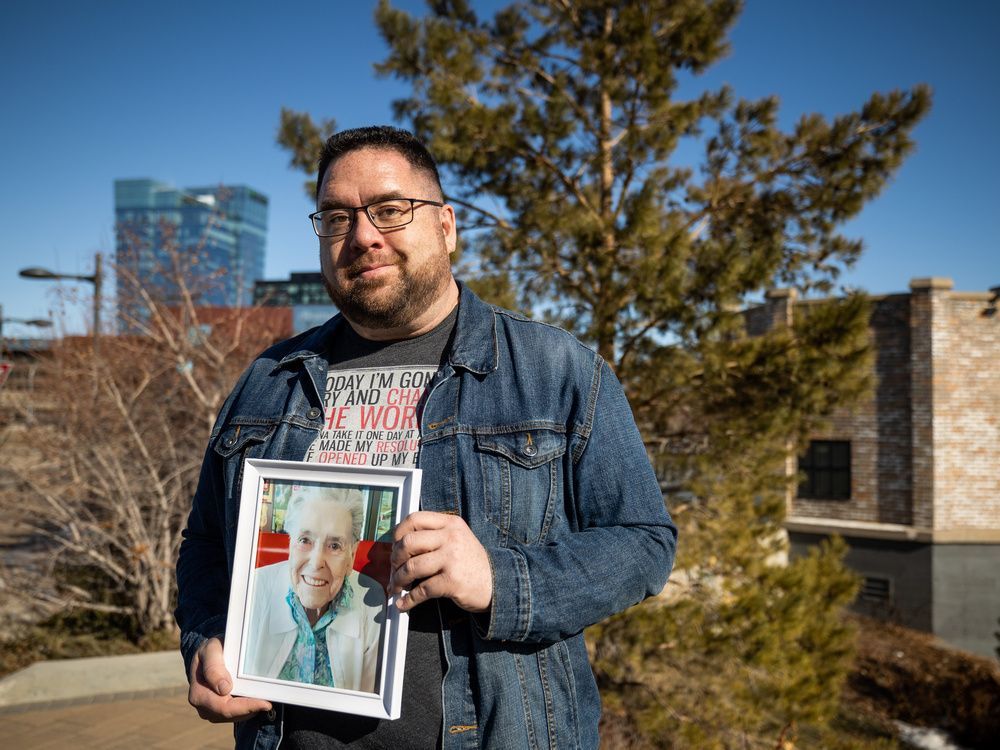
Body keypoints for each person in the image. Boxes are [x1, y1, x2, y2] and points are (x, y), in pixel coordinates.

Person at [175, 125, 677, 750]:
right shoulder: (265, 382)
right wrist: (204, 638)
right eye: (336, 217)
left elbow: (645, 543)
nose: (361, 235)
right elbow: (205, 543)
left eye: (389, 209)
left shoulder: (557, 372)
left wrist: (499, 577)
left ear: (445, 226)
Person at [243, 488, 385, 693]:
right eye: (305, 540)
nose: (317, 562)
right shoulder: (255, 587)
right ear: (290, 544)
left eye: (335, 545)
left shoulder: (372, 602)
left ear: (351, 556)